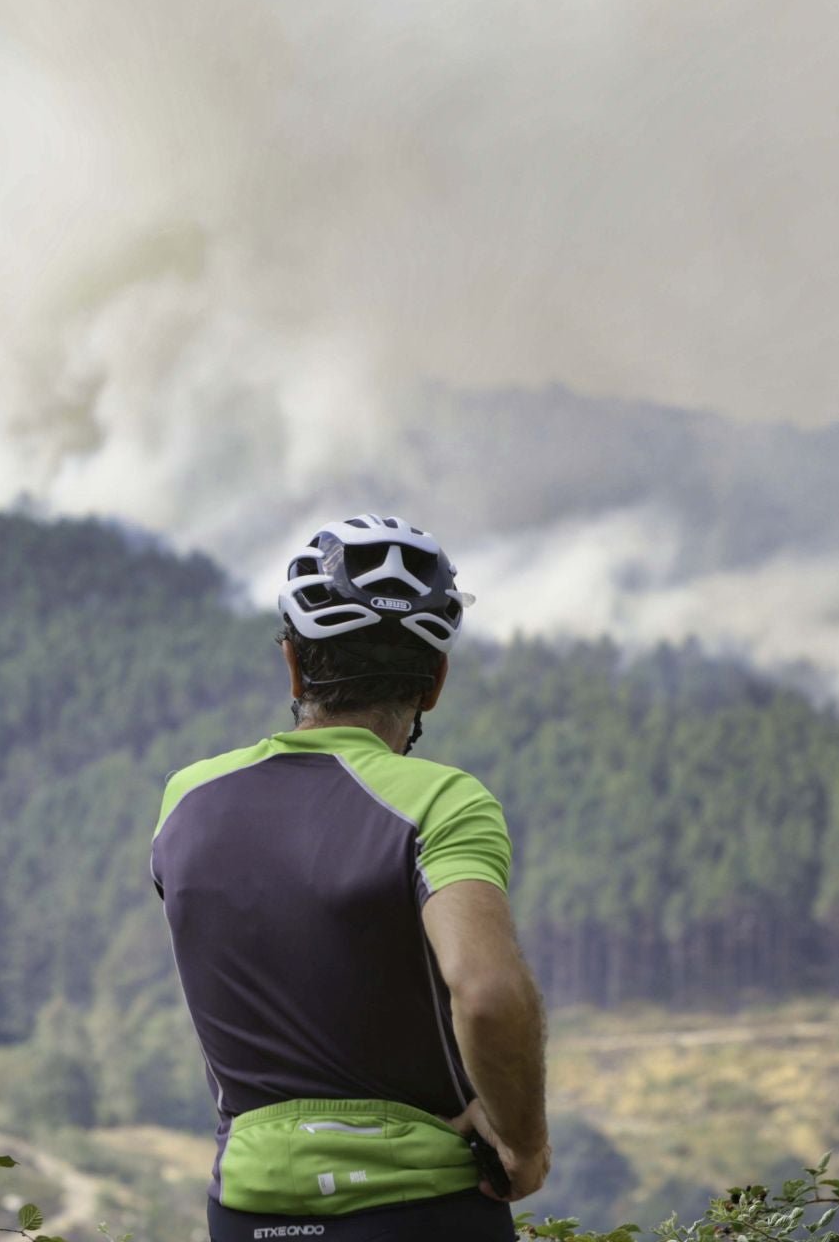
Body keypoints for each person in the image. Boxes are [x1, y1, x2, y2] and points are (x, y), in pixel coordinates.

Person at [151, 514, 550, 1242]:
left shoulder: (188, 800)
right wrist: (523, 1141)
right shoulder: (439, 801)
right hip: (422, 1208)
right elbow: (488, 995)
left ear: (295, 667)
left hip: (247, 1205)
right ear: (434, 682)